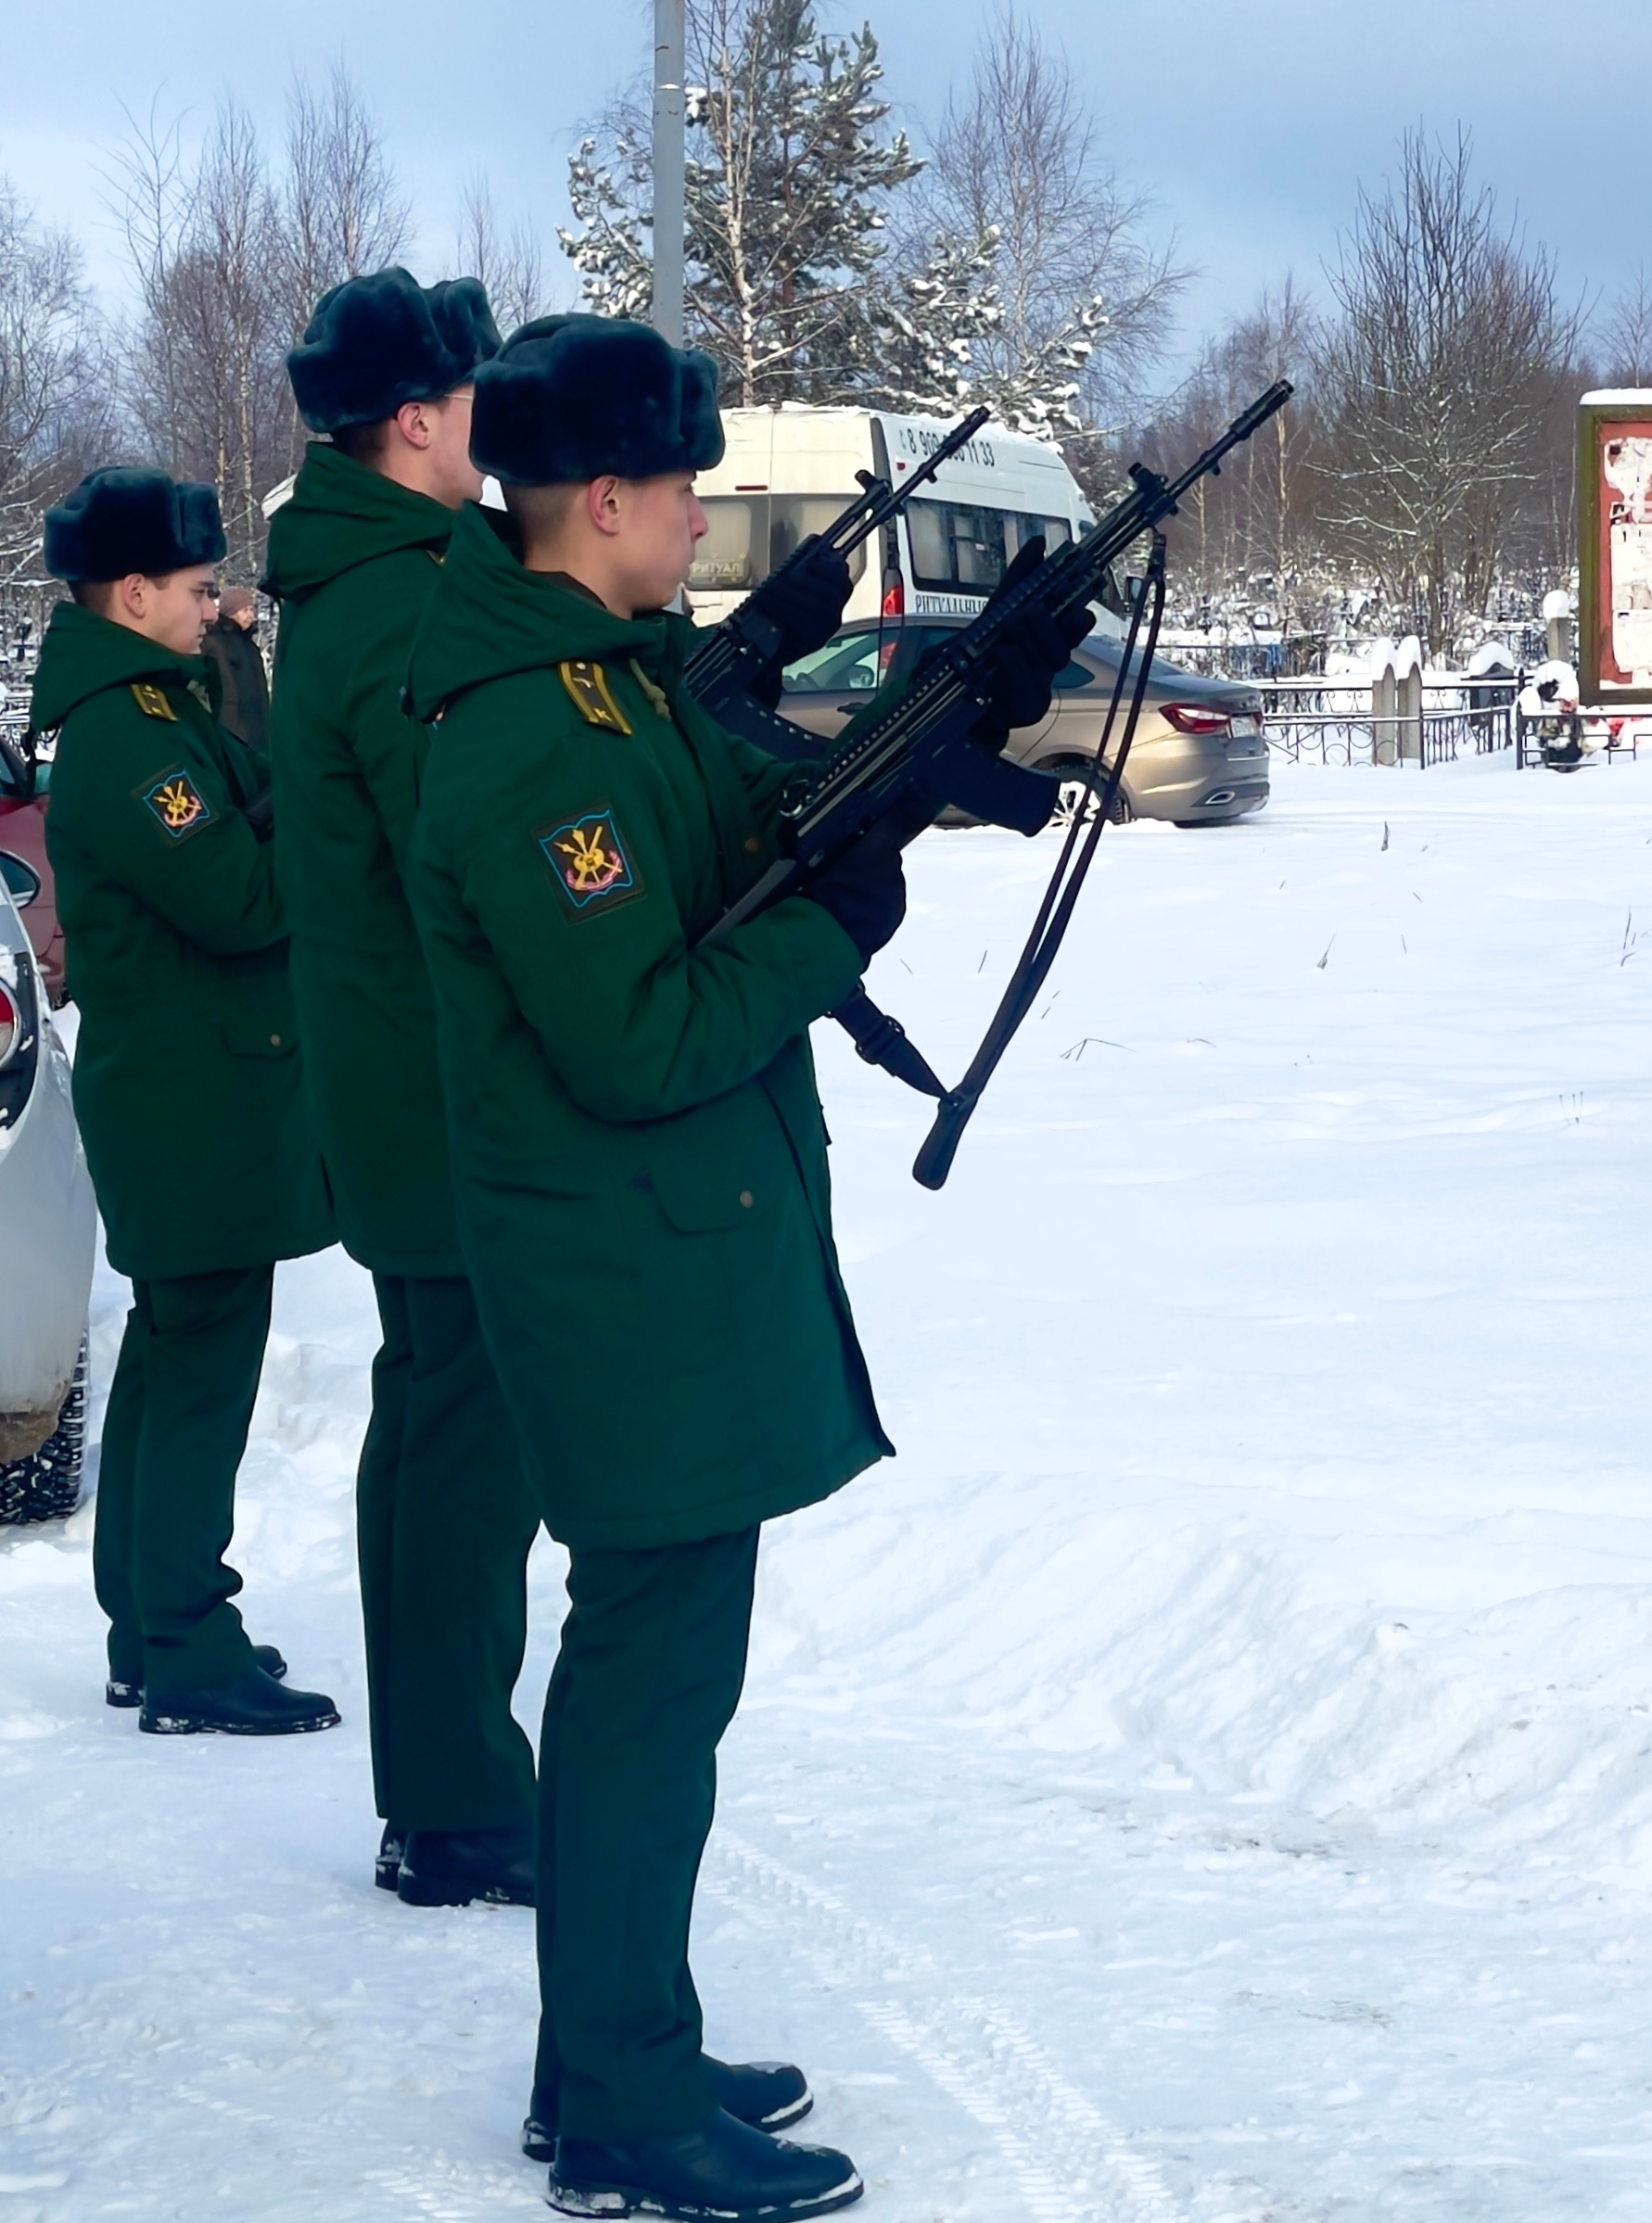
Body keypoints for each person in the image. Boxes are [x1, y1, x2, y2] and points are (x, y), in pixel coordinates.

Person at [403, 314, 1081, 2223]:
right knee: (641, 1685)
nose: (696, 513)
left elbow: (739, 838)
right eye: (680, 481)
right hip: (620, 1274)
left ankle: (611, 2044)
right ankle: (618, 2103)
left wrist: (924, 733)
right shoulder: (531, 734)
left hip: (661, 1258)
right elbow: (632, 1029)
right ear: (599, 495)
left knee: (657, 1683)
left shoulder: (599, 689)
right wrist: (831, 927)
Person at [261, 268, 544, 1909]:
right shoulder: (392, 604)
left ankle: (440, 1781)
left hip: (411, 1083)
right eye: (475, 389)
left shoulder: (388, 577)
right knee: (463, 1441)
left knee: (437, 1424)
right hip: (439, 1091)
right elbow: (479, 831)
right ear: (417, 420)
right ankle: (452, 1799)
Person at [33, 468, 337, 1735]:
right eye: (200, 583)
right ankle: (184, 1647)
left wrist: (251, 734)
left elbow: (232, 816)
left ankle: (150, 1623)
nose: (218, 603)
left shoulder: (153, 708)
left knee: (173, 1355)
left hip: (199, 1087)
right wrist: (314, 811)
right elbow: (240, 897)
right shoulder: (128, 735)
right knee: (203, 1364)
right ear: (133, 590)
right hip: (193, 1099)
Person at [200, 586, 270, 752]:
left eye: (252, 609)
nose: (250, 616)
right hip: (238, 735)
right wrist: (234, 733)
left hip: (259, 731)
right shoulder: (215, 643)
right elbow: (224, 693)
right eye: (245, 610)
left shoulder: (249, 644)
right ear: (231, 612)